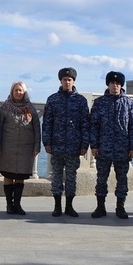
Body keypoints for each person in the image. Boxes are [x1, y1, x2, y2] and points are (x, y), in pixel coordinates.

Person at [89, 71, 133, 219]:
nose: (115, 86)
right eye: (112, 83)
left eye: (118, 84)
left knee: (122, 179)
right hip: (103, 148)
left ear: (121, 86)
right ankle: (100, 207)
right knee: (101, 179)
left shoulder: (129, 103)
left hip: (122, 148)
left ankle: (120, 207)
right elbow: (94, 125)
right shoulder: (99, 103)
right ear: (108, 84)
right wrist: (94, 145)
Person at [41, 68, 89, 217]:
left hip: (74, 146)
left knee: (71, 177)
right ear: (60, 81)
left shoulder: (81, 101)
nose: (67, 82)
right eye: (64, 79)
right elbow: (47, 123)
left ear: (73, 81)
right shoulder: (53, 99)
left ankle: (69, 206)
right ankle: (57, 206)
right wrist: (47, 142)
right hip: (57, 145)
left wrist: (84, 144)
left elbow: (85, 124)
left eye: (70, 80)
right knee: (56, 177)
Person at [0, 81, 41, 216]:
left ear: (24, 92)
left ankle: (18, 204)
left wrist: (36, 146)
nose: (18, 92)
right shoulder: (5, 107)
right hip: (7, 147)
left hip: (25, 149)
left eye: (20, 90)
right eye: (16, 90)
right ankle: (9, 205)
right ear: (12, 92)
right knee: (8, 175)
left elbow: (37, 129)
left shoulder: (30, 108)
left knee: (20, 176)